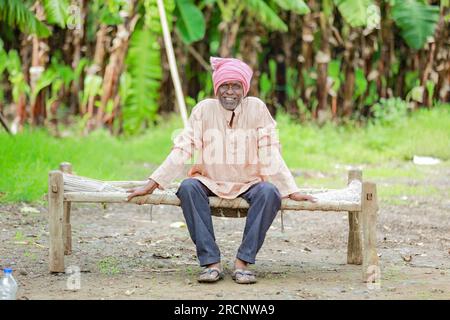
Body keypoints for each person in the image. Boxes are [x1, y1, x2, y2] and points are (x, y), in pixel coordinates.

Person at [127, 56, 316, 284]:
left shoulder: (256, 108)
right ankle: (211, 263)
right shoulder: (204, 110)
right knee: (187, 187)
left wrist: (291, 190)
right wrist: (153, 183)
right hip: (209, 181)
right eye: (224, 86)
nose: (230, 92)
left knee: (270, 193)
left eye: (236, 86)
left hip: (249, 183)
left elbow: (270, 151)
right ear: (216, 88)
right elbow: (183, 148)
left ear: (244, 89)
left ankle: (243, 262)